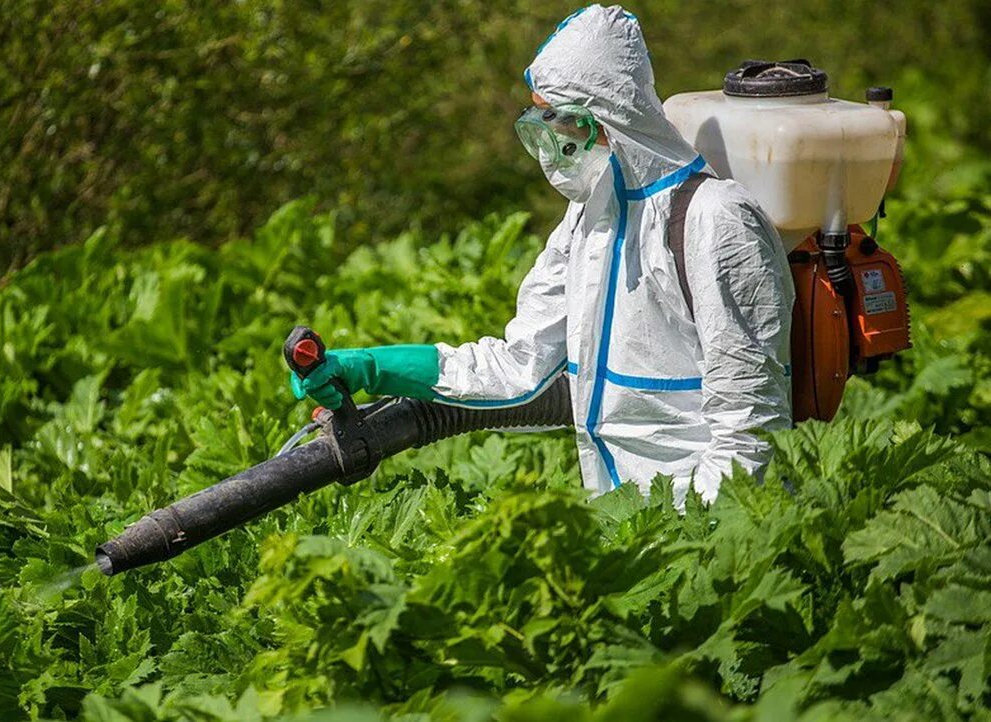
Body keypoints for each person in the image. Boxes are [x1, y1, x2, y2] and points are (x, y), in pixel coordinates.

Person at [289, 4, 793, 504]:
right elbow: (517, 368)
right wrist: (371, 367)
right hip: (626, 515)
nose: (548, 139)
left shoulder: (716, 220)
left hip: (710, 525)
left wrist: (695, 539)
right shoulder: (590, 218)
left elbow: (751, 432)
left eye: (554, 118)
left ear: (602, 120)